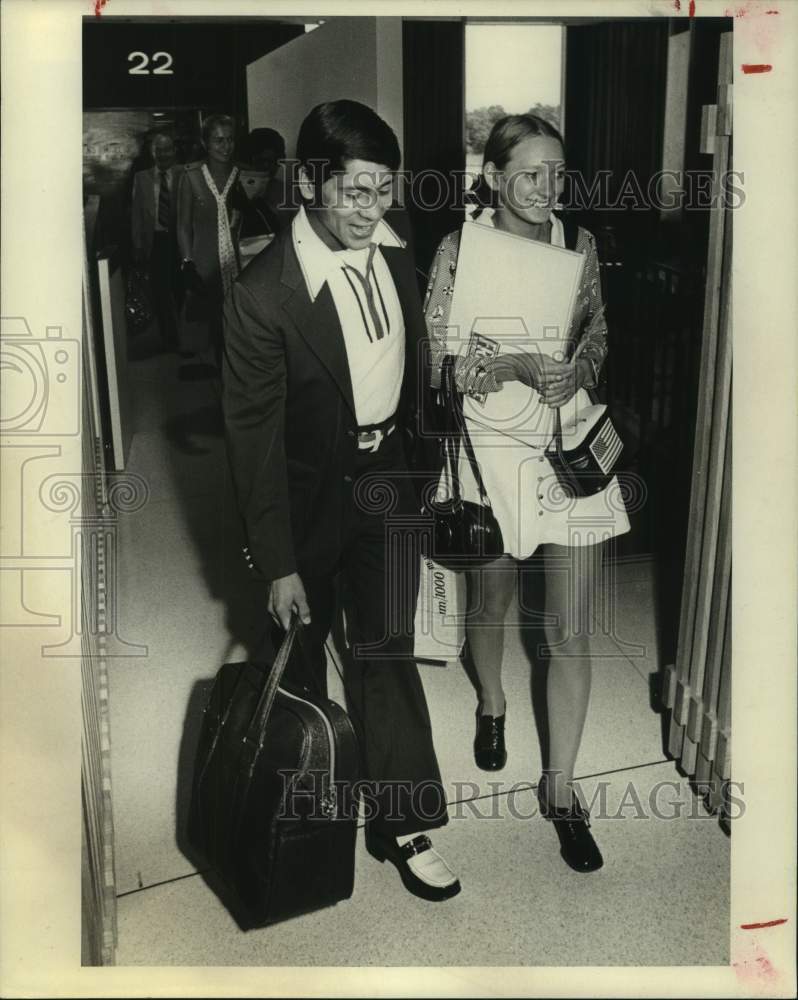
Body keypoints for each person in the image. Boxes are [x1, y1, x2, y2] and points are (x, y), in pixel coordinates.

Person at [222, 100, 460, 902]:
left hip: (388, 478)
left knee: (387, 649)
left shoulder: (395, 255)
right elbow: (252, 441)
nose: (372, 210)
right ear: (313, 182)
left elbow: (412, 366)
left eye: (384, 191)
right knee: (300, 658)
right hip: (306, 500)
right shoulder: (263, 293)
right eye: (356, 192)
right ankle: (304, 822)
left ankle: (402, 821)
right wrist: (276, 562)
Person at [423, 113, 630, 873]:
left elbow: (599, 334)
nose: (547, 189)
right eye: (530, 174)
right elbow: (439, 363)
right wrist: (505, 366)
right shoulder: (458, 249)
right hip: (488, 450)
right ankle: (490, 704)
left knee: (569, 632)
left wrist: (574, 372)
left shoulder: (580, 246)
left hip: (562, 446)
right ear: (494, 178)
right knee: (492, 604)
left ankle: (562, 788)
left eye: (558, 173)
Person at [176, 113, 248, 362]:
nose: (226, 146)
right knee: (211, 325)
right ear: (205, 143)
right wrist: (187, 262)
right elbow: (183, 225)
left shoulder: (243, 174)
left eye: (230, 140)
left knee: (240, 324)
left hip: (241, 262)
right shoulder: (191, 176)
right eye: (218, 141)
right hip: (206, 262)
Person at [130, 132, 181, 349]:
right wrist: (138, 246)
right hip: (156, 242)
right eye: (159, 150)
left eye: (167, 149)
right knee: (160, 291)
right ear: (153, 153)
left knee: (180, 288)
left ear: (174, 150)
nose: (163, 154)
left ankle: (185, 335)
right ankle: (169, 338)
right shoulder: (141, 178)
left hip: (181, 240)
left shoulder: (185, 174)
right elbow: (136, 215)